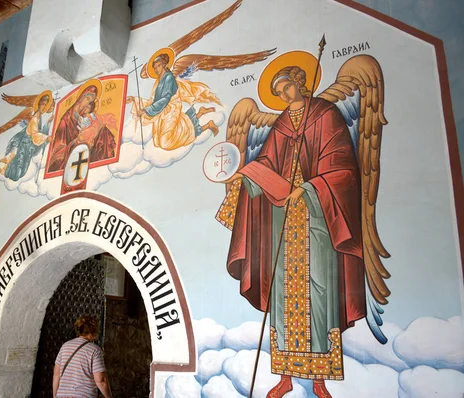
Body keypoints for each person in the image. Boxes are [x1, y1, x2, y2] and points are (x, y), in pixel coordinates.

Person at [225, 66, 365, 398]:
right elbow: (268, 164)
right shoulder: (281, 125)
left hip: (318, 218)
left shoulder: (326, 115)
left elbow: (344, 167)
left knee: (318, 293)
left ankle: (319, 380)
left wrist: (310, 188)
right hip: (283, 222)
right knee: (284, 296)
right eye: (278, 92)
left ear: (300, 82)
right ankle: (285, 376)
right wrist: (246, 177)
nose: (284, 96)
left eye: (286, 87)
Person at [127, 53, 219, 151]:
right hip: (162, 110)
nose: (156, 69)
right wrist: (134, 99)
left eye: (158, 66)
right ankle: (200, 112)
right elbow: (153, 101)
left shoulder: (168, 78)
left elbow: (165, 99)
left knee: (166, 142)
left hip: (171, 109)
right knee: (157, 142)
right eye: (155, 68)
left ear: (164, 65)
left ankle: (208, 125)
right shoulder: (159, 81)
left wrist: (146, 110)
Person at [0, 94, 53, 181]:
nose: (44, 106)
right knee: (19, 168)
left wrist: (48, 122)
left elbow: (38, 132)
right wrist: (46, 138)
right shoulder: (36, 115)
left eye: (45, 105)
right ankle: (6, 172)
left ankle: (6, 171)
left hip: (29, 147)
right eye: (43, 104)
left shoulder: (39, 115)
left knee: (23, 170)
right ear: (39, 103)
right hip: (25, 144)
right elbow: (34, 133)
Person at [53, 315, 113, 398]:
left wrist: (55, 395)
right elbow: (101, 380)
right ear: (93, 330)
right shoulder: (95, 350)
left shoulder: (65, 346)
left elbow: (56, 374)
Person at [47, 86, 100, 173]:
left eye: (90, 101)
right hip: (66, 132)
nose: (87, 102)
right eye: (87, 98)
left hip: (79, 133)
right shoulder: (74, 108)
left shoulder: (86, 112)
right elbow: (71, 119)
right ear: (82, 97)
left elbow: (88, 122)